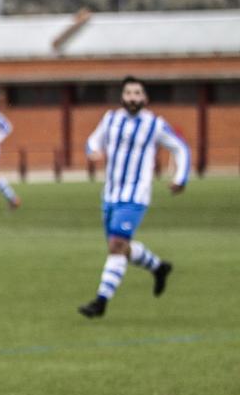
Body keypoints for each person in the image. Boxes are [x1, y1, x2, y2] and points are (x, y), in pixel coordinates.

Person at [77, 75, 186, 319]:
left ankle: (101, 301)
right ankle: (158, 267)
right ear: (122, 97)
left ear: (145, 98)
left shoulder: (154, 124)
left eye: (138, 93)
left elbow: (180, 148)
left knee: (116, 246)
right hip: (111, 194)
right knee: (120, 246)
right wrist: (92, 150)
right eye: (129, 93)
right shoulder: (110, 119)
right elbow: (93, 140)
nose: (133, 98)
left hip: (136, 195)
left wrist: (181, 178)